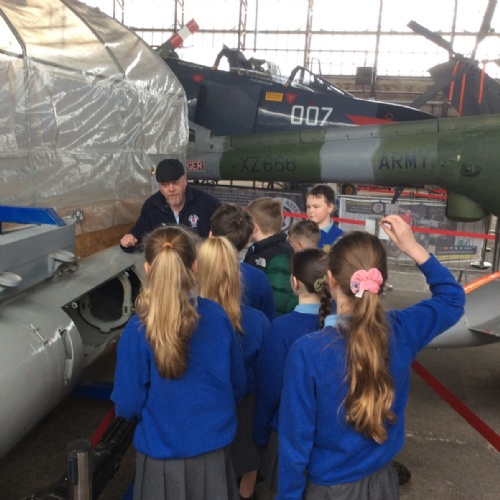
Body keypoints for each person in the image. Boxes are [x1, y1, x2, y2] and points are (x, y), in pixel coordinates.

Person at [277, 215, 465, 500]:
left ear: (330, 279)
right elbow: (452, 298)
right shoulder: (401, 330)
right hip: (382, 483)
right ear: (381, 281)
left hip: (329, 489)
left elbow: (295, 442)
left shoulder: (307, 352)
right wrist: (414, 248)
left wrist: (288, 495)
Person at [111, 226, 246, 500]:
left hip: (161, 460)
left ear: (147, 268)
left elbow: (127, 404)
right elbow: (237, 383)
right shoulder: (217, 316)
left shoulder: (137, 330)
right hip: (214, 457)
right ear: (195, 266)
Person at [196, 236, 270, 500]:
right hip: (247, 414)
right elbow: (267, 379)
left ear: (196, 270)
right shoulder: (258, 321)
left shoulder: (188, 321)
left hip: (204, 418)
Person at [253, 248, 331, 494]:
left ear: (294, 282)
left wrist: (259, 433)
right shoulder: (339, 326)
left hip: (287, 437)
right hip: (329, 438)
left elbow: (270, 388)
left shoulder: (282, 328)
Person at [120, 158, 221, 251]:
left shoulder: (208, 203)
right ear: (159, 186)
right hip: (165, 263)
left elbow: (224, 237)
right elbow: (139, 235)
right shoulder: (151, 206)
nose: (171, 189)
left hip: (200, 261)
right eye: (165, 185)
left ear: (185, 181)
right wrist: (130, 240)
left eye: (175, 183)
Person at [210, 203, 276, 322]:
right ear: (248, 241)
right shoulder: (258, 279)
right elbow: (269, 323)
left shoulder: (192, 272)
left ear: (210, 235)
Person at [244, 197, 297, 316]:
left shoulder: (281, 255)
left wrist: (271, 323)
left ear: (254, 227)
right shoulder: (256, 250)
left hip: (267, 320)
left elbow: (279, 298)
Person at [306, 184, 343, 250]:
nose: (310, 211)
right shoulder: (301, 232)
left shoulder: (340, 238)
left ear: (330, 208)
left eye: (316, 207)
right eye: (308, 207)